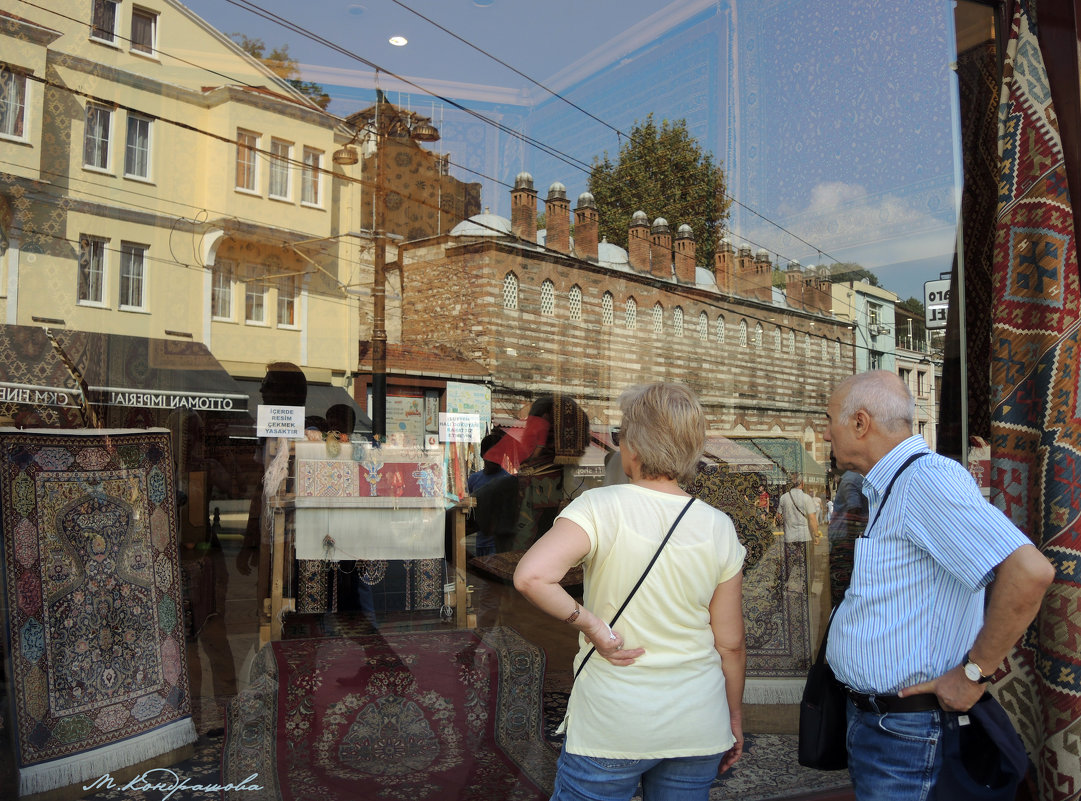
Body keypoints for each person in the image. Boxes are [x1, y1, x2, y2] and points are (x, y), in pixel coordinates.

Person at [823, 370, 1054, 801]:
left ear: (860, 422)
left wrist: (973, 675)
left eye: (830, 418)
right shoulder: (893, 485)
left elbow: (1030, 572)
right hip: (887, 728)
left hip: (907, 734)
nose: (824, 431)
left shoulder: (925, 482)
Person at [514, 382, 745, 801]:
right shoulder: (718, 526)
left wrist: (593, 627)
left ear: (632, 446)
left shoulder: (599, 506)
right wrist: (733, 717)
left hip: (613, 720)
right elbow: (730, 645)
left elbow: (531, 576)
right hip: (697, 721)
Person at [776, 473, 819, 591]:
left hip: (790, 537)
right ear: (802, 483)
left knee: (788, 563)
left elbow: (778, 516)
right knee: (808, 564)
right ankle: (807, 589)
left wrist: (788, 520)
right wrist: (816, 535)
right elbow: (812, 519)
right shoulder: (806, 498)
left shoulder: (784, 497)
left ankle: (781, 586)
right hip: (806, 536)